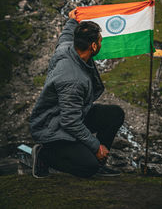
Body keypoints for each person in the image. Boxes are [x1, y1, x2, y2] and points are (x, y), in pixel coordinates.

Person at [30, 9, 124, 178]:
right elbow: (70, 122)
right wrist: (95, 146)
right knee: (88, 168)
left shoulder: (67, 47)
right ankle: (45, 155)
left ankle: (99, 162)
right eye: (100, 41)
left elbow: (65, 35)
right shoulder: (73, 80)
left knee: (115, 114)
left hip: (69, 115)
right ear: (93, 46)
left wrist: (72, 20)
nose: (101, 44)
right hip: (54, 129)